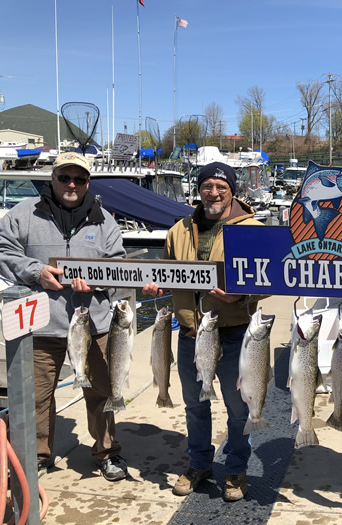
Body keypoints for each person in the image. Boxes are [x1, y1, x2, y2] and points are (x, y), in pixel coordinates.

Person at [0, 152, 129, 481]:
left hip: (93, 324)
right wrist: (35, 271)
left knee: (102, 392)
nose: (71, 184)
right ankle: (39, 457)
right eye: (64, 177)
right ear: (52, 178)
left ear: (87, 183)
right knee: (37, 396)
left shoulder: (104, 220)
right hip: (42, 324)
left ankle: (107, 452)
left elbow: (120, 265)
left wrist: (99, 278)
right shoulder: (24, 213)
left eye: (79, 179)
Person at [142, 161, 264, 501]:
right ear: (199, 190)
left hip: (236, 331)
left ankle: (236, 468)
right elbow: (168, 273)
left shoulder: (251, 228)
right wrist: (156, 286)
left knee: (238, 406)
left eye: (221, 187)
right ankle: (199, 463)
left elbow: (270, 279)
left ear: (232, 191)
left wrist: (245, 294)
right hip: (190, 332)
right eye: (207, 186)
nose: (213, 192)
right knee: (195, 404)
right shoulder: (179, 229)